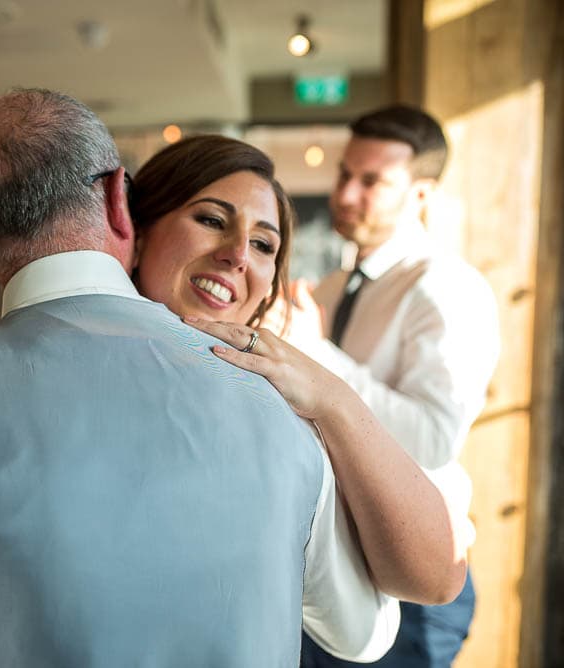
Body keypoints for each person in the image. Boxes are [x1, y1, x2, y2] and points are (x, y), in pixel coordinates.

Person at [0, 90, 461, 667]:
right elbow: (365, 631)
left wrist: (332, 397)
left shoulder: (290, 404)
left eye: (264, 244)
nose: (235, 258)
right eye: (210, 219)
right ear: (127, 217)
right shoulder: (274, 421)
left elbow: (420, 588)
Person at [280, 106, 501, 667]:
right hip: (329, 569)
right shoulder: (329, 289)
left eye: (372, 181)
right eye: (345, 174)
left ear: (422, 194)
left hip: (410, 580)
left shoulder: (448, 288)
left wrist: (314, 355)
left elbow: (432, 439)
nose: (347, 193)